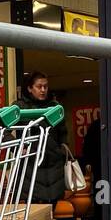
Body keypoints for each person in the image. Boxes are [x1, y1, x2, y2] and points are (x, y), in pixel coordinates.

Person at [16, 71, 68, 203]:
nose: (43, 90)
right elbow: (3, 128)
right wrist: (17, 147)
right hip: (30, 167)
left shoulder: (55, 107)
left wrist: (62, 148)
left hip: (53, 166)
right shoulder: (19, 108)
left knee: (51, 214)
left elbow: (63, 132)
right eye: (39, 87)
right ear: (29, 88)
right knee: (34, 212)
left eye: (45, 86)